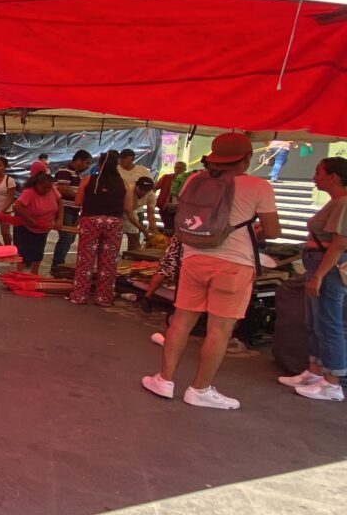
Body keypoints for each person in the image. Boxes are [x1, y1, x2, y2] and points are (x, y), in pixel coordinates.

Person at [142, 133, 280, 410]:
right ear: (247, 158)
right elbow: (274, 231)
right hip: (235, 265)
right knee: (219, 329)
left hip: (194, 258)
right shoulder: (258, 186)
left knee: (181, 321)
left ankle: (164, 380)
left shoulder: (195, 179)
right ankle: (199, 389)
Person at [278, 157, 347, 401]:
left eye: (319, 172)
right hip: (318, 263)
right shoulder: (335, 202)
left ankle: (333, 381)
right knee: (314, 320)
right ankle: (315, 370)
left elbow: (339, 244)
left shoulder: (343, 203)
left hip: (327, 267)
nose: (314, 177)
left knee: (329, 323)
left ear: (334, 176)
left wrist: (319, 274)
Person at [68, 151, 129, 307]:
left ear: (100, 165)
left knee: (85, 259)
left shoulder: (88, 180)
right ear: (117, 165)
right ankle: (104, 298)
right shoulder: (125, 183)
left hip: (90, 221)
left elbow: (78, 202)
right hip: (114, 222)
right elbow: (128, 207)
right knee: (108, 261)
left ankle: (80, 295)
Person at [50, 150, 93, 277]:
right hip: (65, 210)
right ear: (78, 160)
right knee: (66, 237)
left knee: (70, 238)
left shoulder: (78, 175)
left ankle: (59, 264)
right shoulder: (64, 172)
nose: (88, 166)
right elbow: (62, 189)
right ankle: (57, 265)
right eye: (87, 163)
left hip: (74, 211)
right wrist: (81, 195)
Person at [12, 172, 63, 275]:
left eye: (49, 188)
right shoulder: (29, 192)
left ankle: (34, 274)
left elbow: (60, 202)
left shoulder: (52, 189)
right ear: (37, 184)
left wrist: (59, 219)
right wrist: (30, 219)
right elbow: (17, 206)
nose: (47, 190)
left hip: (44, 227)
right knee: (23, 251)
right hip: (25, 226)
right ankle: (19, 274)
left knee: (38, 252)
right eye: (44, 188)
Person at [123, 176, 158, 252]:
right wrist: (144, 230)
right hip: (116, 211)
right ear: (137, 185)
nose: (143, 192)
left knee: (134, 232)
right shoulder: (129, 190)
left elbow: (151, 214)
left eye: (146, 191)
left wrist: (155, 231)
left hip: (132, 211)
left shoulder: (151, 195)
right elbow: (129, 212)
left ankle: (133, 253)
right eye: (141, 189)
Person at [0, 157, 16, 245]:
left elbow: (10, 198)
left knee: (5, 232)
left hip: (6, 210)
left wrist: (2, 211)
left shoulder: (10, 180)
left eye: (0, 165)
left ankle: (8, 251)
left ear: (5, 167)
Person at [156, 161, 187, 232]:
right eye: (176, 168)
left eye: (180, 168)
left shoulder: (187, 180)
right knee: (169, 228)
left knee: (177, 229)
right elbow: (155, 187)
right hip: (165, 207)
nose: (177, 170)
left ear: (185, 170)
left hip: (180, 209)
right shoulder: (166, 177)